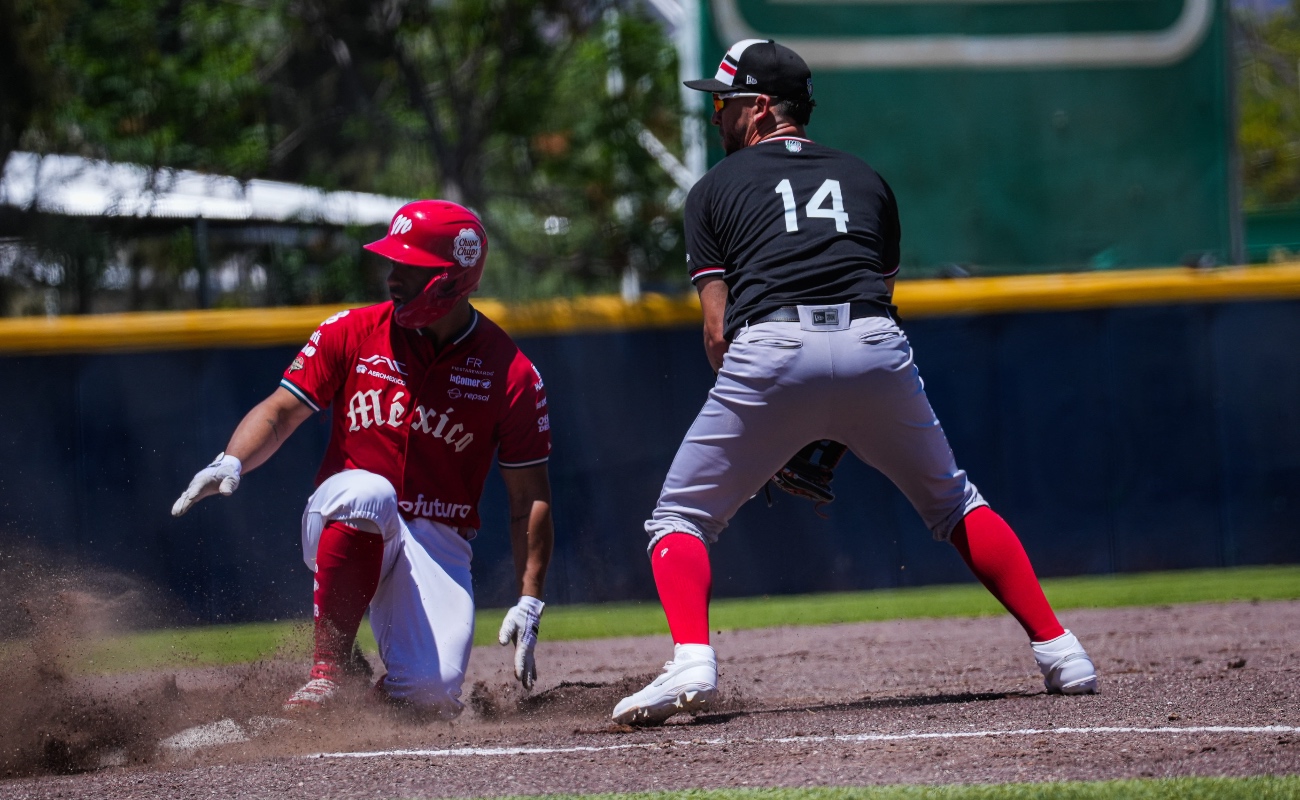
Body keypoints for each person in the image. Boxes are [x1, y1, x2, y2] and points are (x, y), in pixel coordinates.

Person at [612, 39, 1098, 725]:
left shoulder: (714, 189)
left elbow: (718, 333)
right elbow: (876, 297)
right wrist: (833, 417)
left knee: (680, 518)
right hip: (874, 342)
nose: (715, 115)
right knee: (957, 504)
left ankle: (693, 658)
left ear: (755, 109)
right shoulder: (867, 178)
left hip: (770, 345)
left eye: (721, 103)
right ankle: (1062, 651)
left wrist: (775, 425)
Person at [172, 201, 555, 719]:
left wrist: (529, 599)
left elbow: (529, 498)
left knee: (433, 695)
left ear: (450, 280)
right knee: (368, 492)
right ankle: (327, 674)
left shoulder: (510, 373)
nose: (393, 278)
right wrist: (232, 460)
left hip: (437, 539)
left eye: (409, 268)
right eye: (392, 264)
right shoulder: (351, 330)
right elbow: (281, 412)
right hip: (345, 513)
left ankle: (362, 696)